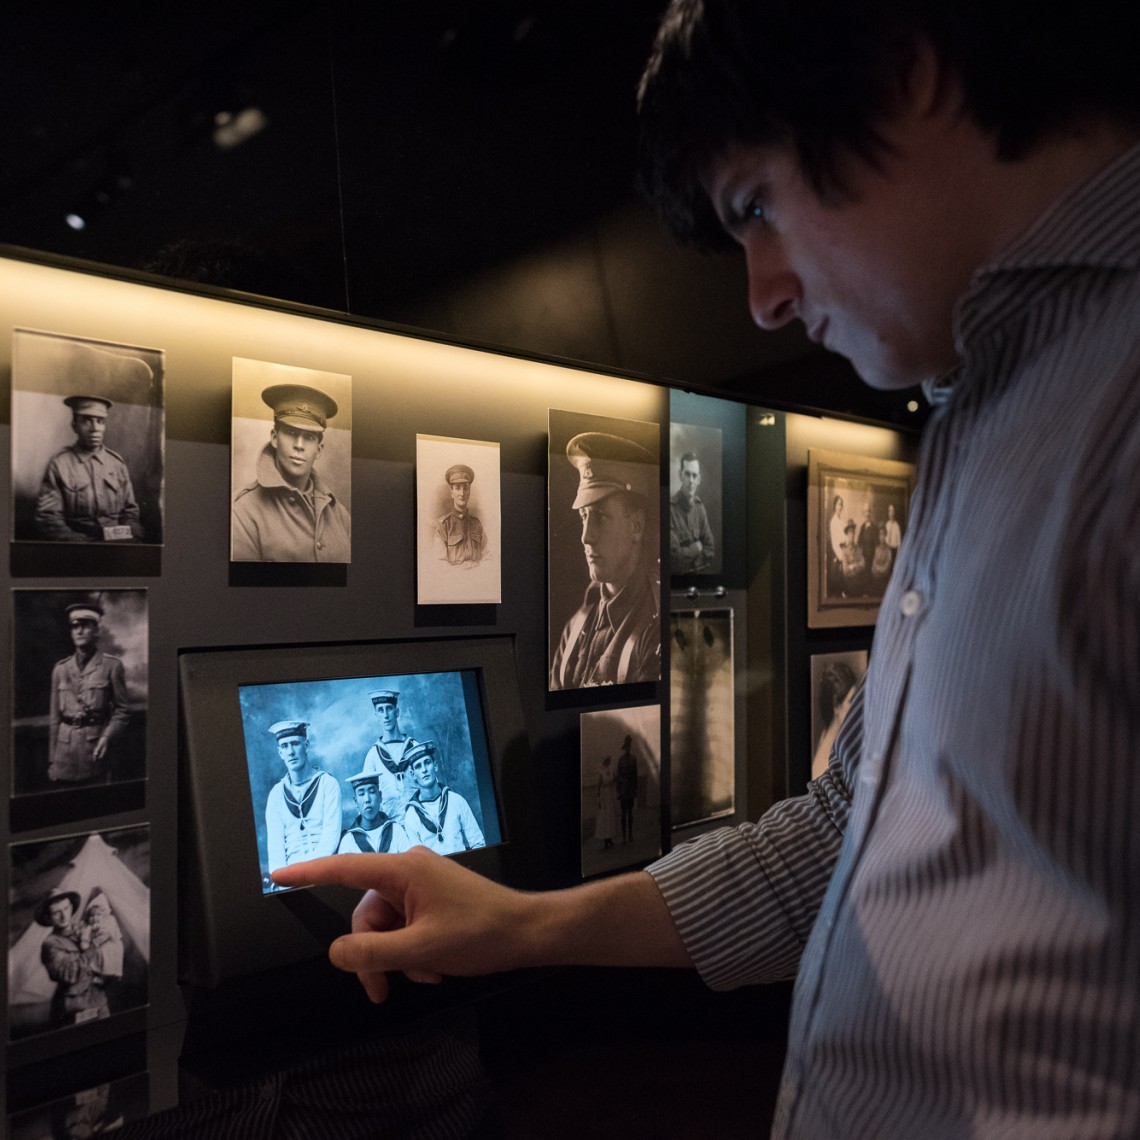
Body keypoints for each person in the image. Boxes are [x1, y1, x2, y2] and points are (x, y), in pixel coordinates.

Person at [275, 1, 1140, 1134]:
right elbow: (850, 833)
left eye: (757, 206)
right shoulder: (985, 410)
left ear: (905, 69)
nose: (765, 295)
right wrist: (521, 925)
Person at [548, 431, 660, 689]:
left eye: (600, 517)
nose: (586, 537)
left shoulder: (655, 630)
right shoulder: (575, 627)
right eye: (584, 517)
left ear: (637, 526)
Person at [231, 382, 351, 562]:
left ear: (318, 450)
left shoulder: (339, 513)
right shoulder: (243, 511)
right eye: (290, 432)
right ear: (274, 438)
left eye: (309, 437)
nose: (299, 446)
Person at [35, 392, 142, 543]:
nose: (94, 428)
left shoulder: (117, 464)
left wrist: (133, 540)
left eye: (100, 421)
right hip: (77, 546)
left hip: (118, 544)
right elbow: (49, 517)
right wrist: (82, 544)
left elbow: (130, 512)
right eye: (86, 421)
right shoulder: (59, 464)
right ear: (74, 426)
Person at [47, 601, 132, 784]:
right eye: (74, 626)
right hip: (64, 756)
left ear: (96, 630)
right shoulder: (60, 669)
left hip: (95, 754)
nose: (78, 631)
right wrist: (52, 760)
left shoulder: (112, 666)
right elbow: (54, 719)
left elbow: (122, 711)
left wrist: (107, 737)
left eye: (85, 625)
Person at [263, 720, 341, 875]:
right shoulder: (276, 794)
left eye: (295, 744)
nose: (290, 751)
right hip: (290, 876)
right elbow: (275, 850)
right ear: (280, 753)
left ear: (307, 746)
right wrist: (285, 880)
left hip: (324, 869)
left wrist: (305, 873)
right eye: (285, 746)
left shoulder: (327, 783)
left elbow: (330, 840)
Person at [36, 890, 110, 1028]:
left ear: (71, 908)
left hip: (99, 999)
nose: (64, 915)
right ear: (48, 918)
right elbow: (69, 974)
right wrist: (92, 947)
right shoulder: (51, 944)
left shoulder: (83, 928)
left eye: (65, 908)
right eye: (56, 912)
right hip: (74, 1006)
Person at [401, 741, 485, 855]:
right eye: (418, 766)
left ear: (435, 766)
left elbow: (478, 843)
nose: (424, 769)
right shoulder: (412, 815)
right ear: (413, 775)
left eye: (427, 762)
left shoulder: (456, 801)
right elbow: (418, 861)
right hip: (432, 872)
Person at [358, 690, 418, 818]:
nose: (385, 715)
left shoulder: (414, 747)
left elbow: (429, 785)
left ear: (397, 712)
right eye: (380, 710)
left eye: (389, 709)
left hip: (419, 821)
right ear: (376, 716)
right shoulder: (373, 755)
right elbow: (366, 795)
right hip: (390, 824)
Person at [338, 771, 412, 855]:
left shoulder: (396, 830)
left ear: (380, 796)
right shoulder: (348, 840)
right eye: (361, 794)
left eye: (372, 792)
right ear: (356, 802)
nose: (367, 799)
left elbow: (408, 864)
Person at [810, 660, 858, 780]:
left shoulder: (831, 738)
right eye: (851, 701)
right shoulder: (825, 764)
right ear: (836, 706)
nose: (857, 708)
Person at [432, 463, 487, 566]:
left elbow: (489, 558)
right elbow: (439, 565)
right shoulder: (443, 525)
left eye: (465, 488)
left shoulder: (477, 524)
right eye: (457, 488)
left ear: (469, 491)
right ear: (451, 492)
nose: (462, 493)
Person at [669, 451, 715, 573]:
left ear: (699, 479)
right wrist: (697, 548)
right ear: (680, 475)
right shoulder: (670, 509)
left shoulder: (700, 508)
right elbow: (674, 558)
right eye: (687, 474)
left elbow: (710, 548)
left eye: (694, 476)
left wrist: (692, 565)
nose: (691, 480)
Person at [615, 734, 639, 845]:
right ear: (624, 748)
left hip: (630, 789)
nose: (628, 749)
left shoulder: (634, 759)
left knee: (630, 814)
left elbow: (635, 776)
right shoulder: (620, 760)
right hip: (624, 790)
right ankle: (624, 836)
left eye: (629, 746)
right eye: (626, 747)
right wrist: (618, 791)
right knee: (623, 814)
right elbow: (618, 777)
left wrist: (635, 790)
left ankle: (630, 835)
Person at [594, 755, 619, 850]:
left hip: (611, 795)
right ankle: (605, 840)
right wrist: (598, 800)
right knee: (604, 818)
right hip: (604, 796)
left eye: (609, 759)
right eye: (608, 760)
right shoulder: (601, 771)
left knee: (611, 817)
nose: (609, 761)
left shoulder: (612, 769)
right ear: (605, 761)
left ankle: (610, 838)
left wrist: (616, 777)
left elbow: (616, 779)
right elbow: (598, 786)